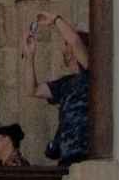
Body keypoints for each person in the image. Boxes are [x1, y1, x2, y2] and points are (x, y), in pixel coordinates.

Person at [24, 12, 91, 166]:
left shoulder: (88, 74)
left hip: (83, 151)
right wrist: (29, 56)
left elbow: (74, 40)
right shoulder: (65, 83)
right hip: (66, 153)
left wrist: (55, 19)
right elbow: (31, 90)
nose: (63, 46)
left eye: (64, 43)